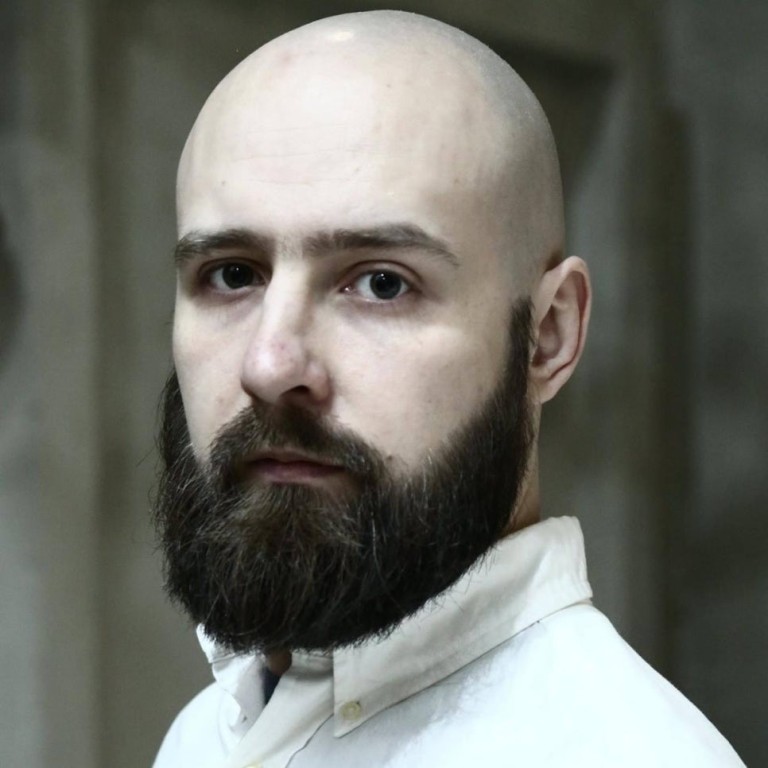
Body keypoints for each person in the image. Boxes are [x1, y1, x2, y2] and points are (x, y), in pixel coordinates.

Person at [152, 10, 744, 768]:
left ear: (548, 334)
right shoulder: (207, 735)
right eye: (232, 274)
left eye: (381, 283)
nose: (269, 365)